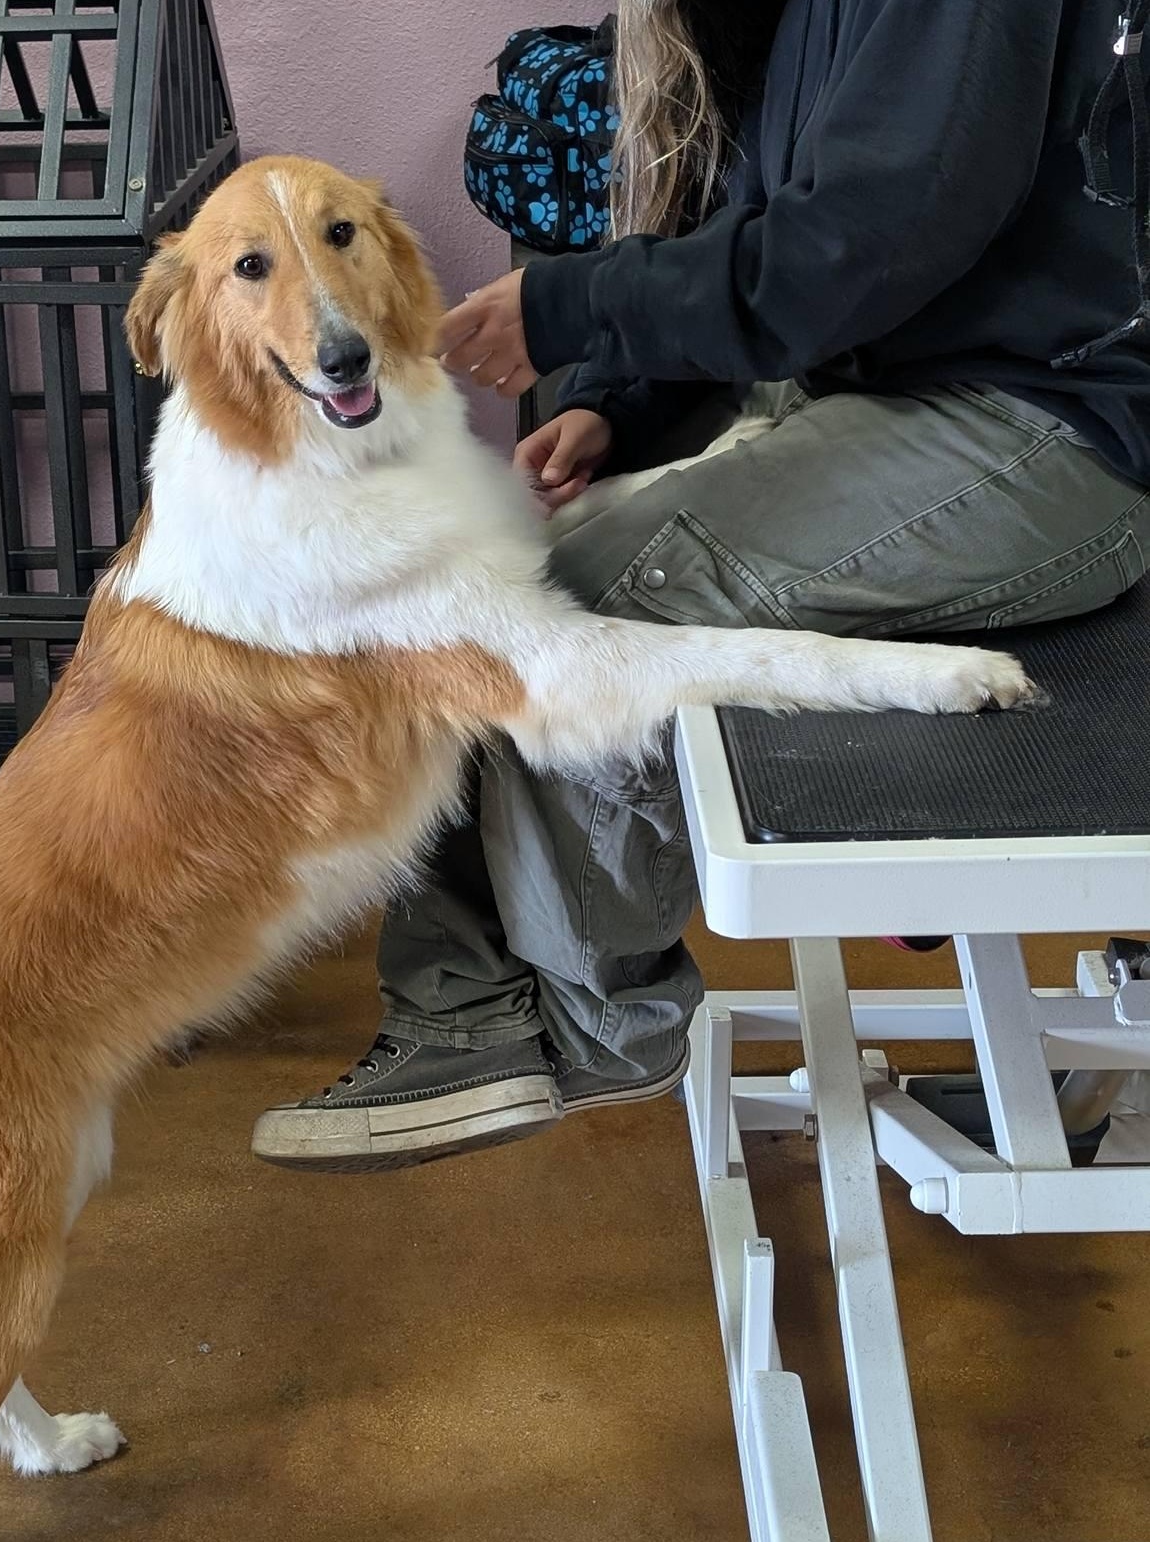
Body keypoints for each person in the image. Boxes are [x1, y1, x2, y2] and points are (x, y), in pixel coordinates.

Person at [251, 0, 1150, 1171]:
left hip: (1048, 432)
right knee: (505, 581)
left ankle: (570, 1024)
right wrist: (615, 406)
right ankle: (472, 1004)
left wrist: (570, 307)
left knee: (585, 597)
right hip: (904, 398)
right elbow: (771, 222)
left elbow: (858, 246)